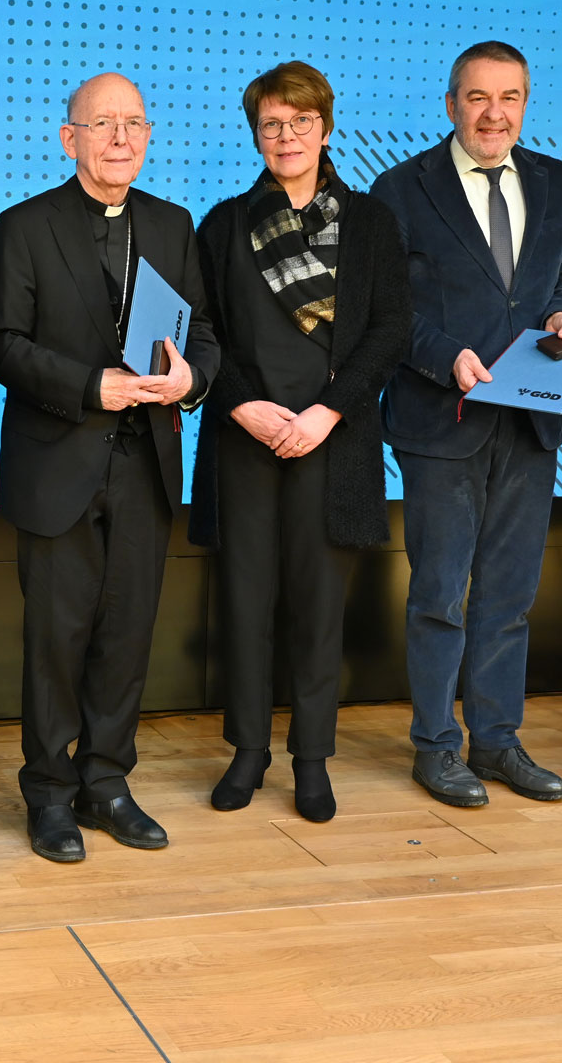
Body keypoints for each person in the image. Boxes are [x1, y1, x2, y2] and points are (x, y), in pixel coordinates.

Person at [0, 73, 219, 862]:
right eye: (103, 124)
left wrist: (192, 382)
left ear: (148, 137)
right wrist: (92, 387)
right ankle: (48, 793)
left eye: (135, 124)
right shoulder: (23, 226)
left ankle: (108, 781)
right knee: (55, 638)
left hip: (146, 465)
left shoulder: (174, 225)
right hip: (57, 463)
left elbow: (206, 335)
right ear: (69, 137)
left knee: (127, 635)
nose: (121, 138)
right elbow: (2, 344)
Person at [371, 41, 562, 808]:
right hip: (443, 417)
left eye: (510, 97)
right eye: (477, 98)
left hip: (531, 419)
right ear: (450, 104)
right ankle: (436, 747)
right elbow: (385, 312)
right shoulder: (400, 189)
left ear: (525, 104)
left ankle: (497, 742)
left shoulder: (554, 179)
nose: (494, 113)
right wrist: (446, 358)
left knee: (509, 594)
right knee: (440, 591)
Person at [189, 61, 409, 822]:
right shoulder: (221, 224)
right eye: (271, 125)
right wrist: (242, 405)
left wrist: (327, 413)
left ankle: (311, 758)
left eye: (300, 122)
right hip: (246, 438)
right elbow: (200, 332)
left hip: (332, 440)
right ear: (256, 134)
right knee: (246, 604)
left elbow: (389, 332)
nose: (286, 137)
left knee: (318, 609)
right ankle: (247, 752)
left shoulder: (373, 222)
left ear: (326, 126)